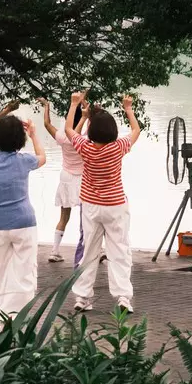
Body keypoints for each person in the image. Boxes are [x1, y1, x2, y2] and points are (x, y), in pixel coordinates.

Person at [68, 94, 142, 313]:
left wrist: (74, 105)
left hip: (91, 206)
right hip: (115, 205)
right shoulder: (117, 147)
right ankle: (122, 297)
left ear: (91, 131)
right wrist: (128, 108)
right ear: (112, 131)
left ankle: (82, 297)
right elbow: (136, 131)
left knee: (89, 251)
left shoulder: (85, 147)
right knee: (119, 251)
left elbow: (69, 131)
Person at [0, 108, 44, 319]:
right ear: (20, 140)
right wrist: (34, 134)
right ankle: (22, 313)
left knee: (0, 270)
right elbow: (42, 157)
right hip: (25, 222)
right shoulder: (25, 160)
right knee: (26, 269)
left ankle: (1, 315)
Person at [42, 94, 87, 264]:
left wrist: (47, 106)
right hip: (83, 179)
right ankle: (89, 252)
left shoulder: (61, 136)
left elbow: (46, 124)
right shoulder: (85, 138)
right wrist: (84, 108)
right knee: (87, 219)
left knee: (63, 217)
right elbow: (78, 131)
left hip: (66, 177)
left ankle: (54, 251)